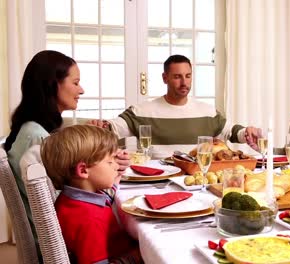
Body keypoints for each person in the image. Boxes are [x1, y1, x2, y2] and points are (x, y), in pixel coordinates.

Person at [4, 50, 129, 259]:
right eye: (76, 82)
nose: (82, 90)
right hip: (65, 245)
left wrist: (104, 159)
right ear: (53, 84)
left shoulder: (32, 128)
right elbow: (75, 197)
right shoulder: (38, 138)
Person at [90, 54, 260, 158]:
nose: (184, 82)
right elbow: (112, 128)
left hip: (197, 179)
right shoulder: (141, 111)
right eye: (177, 76)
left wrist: (247, 132)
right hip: (157, 181)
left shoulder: (207, 112)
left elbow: (232, 132)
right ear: (165, 78)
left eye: (188, 76)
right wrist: (101, 126)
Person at [40, 125, 142, 263]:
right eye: (110, 161)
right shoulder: (90, 219)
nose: (116, 166)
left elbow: (106, 199)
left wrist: (114, 178)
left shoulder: (70, 199)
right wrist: (134, 257)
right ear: (83, 170)